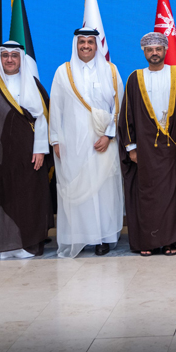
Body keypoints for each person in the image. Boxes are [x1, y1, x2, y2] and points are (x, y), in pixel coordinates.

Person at [118, 32, 176, 255]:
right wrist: (131, 147)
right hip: (144, 150)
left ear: (165, 51)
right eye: (150, 50)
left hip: (172, 148)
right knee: (148, 196)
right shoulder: (135, 78)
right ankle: (148, 242)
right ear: (144, 52)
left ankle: (170, 241)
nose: (155, 53)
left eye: (158, 49)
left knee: (171, 194)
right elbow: (127, 115)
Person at [48, 28, 124, 257]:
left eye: (91, 42)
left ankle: (102, 238)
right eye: (82, 42)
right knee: (76, 188)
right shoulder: (63, 72)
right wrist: (55, 141)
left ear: (96, 45)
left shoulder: (111, 71)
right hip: (72, 142)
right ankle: (78, 238)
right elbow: (56, 109)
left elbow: (119, 107)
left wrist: (109, 135)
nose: (86, 46)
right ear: (76, 44)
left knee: (102, 191)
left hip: (102, 143)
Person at [0, 41, 52, 259]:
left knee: (28, 198)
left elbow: (43, 119)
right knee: (1, 197)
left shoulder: (33, 84)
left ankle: (26, 245)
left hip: (29, 154)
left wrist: (39, 150)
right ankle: (1, 245)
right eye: (5, 55)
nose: (9, 59)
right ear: (0, 58)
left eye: (14, 56)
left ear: (20, 59)